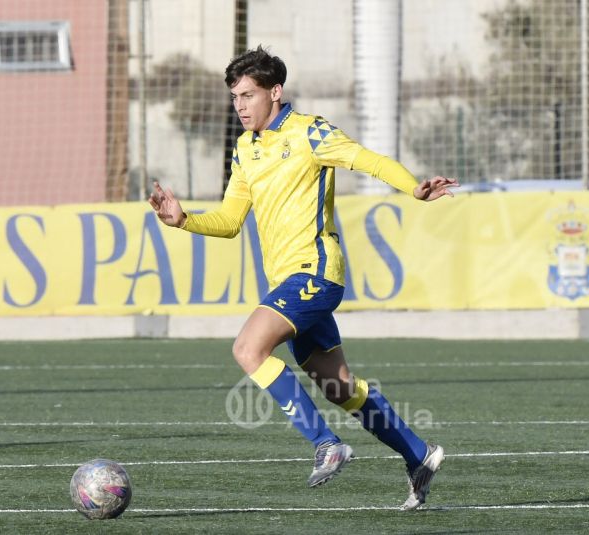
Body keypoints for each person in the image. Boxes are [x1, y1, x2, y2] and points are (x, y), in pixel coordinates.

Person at [149, 45, 458, 510]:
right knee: (339, 387)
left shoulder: (310, 132)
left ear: (275, 92)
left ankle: (326, 444)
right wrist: (184, 219)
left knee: (247, 348)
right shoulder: (245, 149)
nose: (240, 106)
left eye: (248, 95)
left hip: (315, 272)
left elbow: (365, 159)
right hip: (287, 283)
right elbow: (232, 220)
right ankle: (418, 454)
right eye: (235, 97)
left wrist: (412, 187)